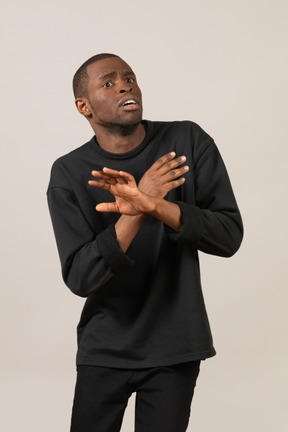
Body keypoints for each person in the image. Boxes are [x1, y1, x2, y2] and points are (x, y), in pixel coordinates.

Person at [47, 53, 243, 432]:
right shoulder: (68, 172)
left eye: (130, 77)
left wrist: (155, 204)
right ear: (83, 106)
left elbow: (228, 236)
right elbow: (81, 278)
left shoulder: (187, 140)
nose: (125, 85)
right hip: (105, 347)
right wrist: (135, 212)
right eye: (108, 82)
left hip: (176, 345)